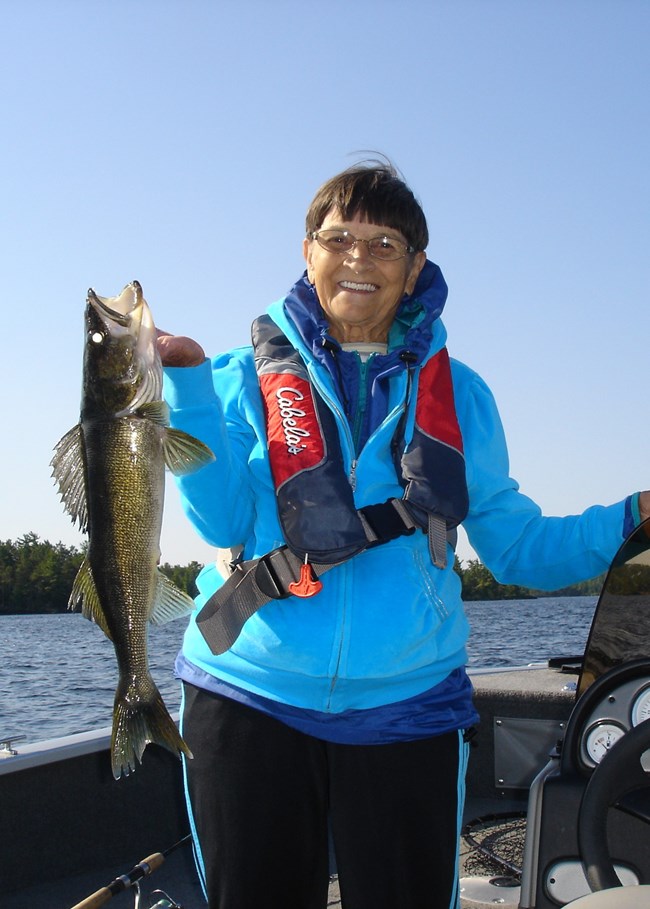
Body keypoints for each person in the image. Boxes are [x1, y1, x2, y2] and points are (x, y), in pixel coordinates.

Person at [158, 161, 650, 909]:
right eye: (339, 238)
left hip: (408, 703)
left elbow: (520, 548)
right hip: (248, 694)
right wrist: (187, 388)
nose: (359, 257)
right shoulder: (233, 379)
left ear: (415, 266)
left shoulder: (464, 396)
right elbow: (222, 522)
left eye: (384, 243)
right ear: (307, 252)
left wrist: (633, 515)